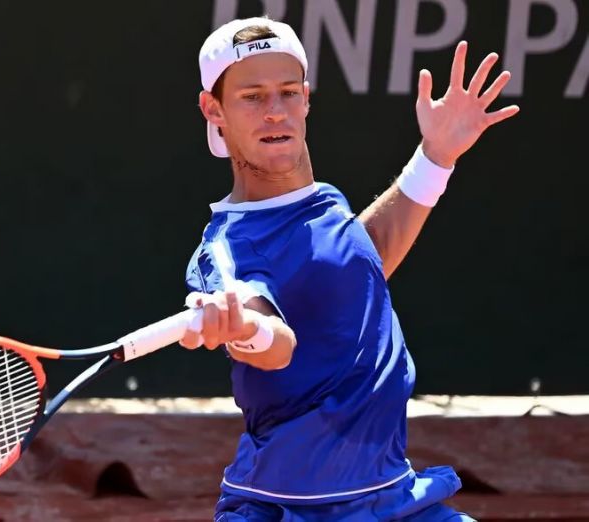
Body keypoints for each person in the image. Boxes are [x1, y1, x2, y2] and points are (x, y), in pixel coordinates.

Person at [178, 17, 519, 522]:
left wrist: (436, 157)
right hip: (287, 509)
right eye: (252, 97)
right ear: (214, 110)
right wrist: (244, 329)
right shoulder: (225, 252)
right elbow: (275, 343)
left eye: (288, 93)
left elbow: (362, 258)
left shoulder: (323, 205)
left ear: (307, 99)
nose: (275, 112)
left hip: (394, 500)